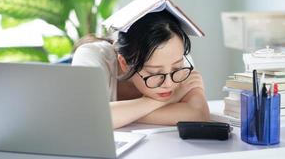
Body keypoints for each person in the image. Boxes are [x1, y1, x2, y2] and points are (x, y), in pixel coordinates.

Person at [72, 9, 210, 129]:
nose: (168, 84)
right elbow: (87, 118)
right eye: (154, 73)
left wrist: (116, 115)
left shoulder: (177, 58)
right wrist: (168, 100)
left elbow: (198, 114)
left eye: (176, 68)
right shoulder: (92, 56)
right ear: (124, 63)